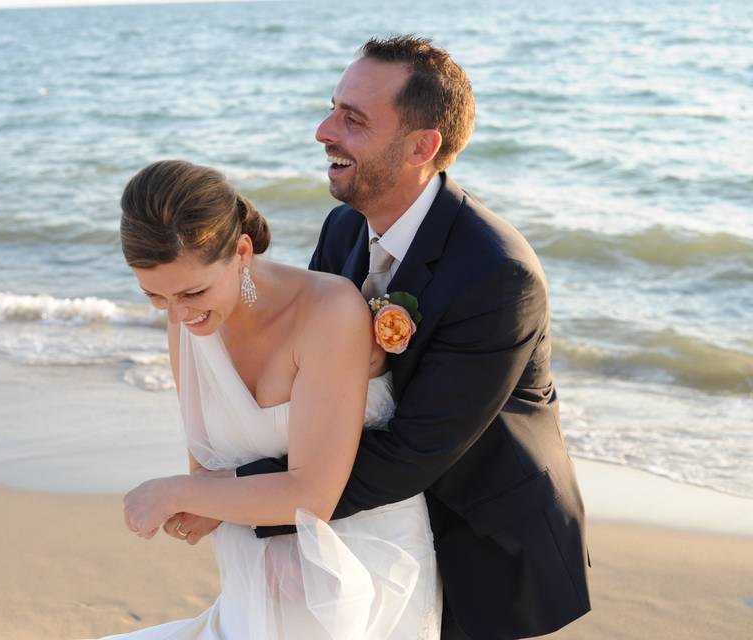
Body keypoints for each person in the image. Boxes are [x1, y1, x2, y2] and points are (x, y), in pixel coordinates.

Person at [233, 35, 592, 639]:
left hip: (486, 542)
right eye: (332, 108)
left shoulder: (497, 273)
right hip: (385, 526)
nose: (324, 130)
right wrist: (222, 296)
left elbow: (411, 452)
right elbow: (304, 354)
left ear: (421, 146)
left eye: (353, 118)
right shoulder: (344, 227)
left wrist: (238, 498)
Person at [97, 158, 443, 639]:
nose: (179, 314)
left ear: (241, 251)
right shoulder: (185, 322)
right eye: (155, 297)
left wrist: (173, 492)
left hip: (361, 577)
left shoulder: (329, 311)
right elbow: (211, 474)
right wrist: (200, 508)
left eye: (193, 291)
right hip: (256, 579)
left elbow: (312, 495)